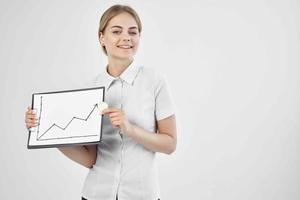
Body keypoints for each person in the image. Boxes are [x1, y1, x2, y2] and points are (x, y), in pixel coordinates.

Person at [25, 4, 177, 200]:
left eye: (133, 32)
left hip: (142, 194)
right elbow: (90, 158)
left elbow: (170, 144)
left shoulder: (154, 81)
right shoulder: (91, 89)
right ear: (101, 37)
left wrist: (131, 129)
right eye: (116, 31)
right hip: (96, 194)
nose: (126, 38)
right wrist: (50, 134)